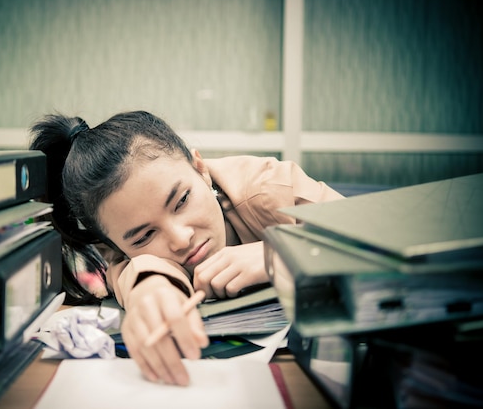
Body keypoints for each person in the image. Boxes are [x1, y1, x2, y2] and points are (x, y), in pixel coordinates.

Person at [29, 110, 344, 386]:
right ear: (115, 246)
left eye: (181, 201)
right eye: (143, 238)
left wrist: (280, 253)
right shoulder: (119, 246)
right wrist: (148, 289)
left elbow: (381, 242)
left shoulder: (270, 187)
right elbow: (125, 272)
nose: (180, 239)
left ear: (200, 169)